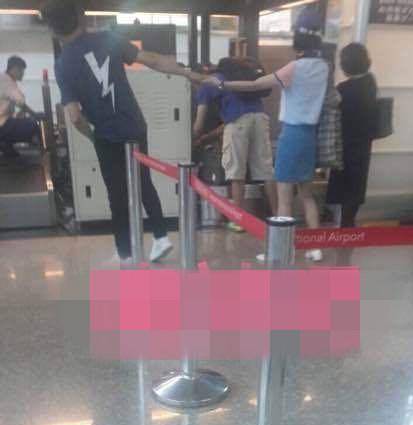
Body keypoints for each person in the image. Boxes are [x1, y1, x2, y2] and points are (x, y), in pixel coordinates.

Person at [40, 0, 201, 263]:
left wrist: (93, 137)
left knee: (117, 193)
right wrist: (188, 73)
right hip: (134, 125)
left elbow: (75, 117)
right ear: (79, 17)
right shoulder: (108, 39)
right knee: (143, 181)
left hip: (106, 135)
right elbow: (152, 60)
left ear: (52, 29)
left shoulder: (63, 64)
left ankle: (125, 252)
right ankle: (161, 237)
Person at [202, 10, 329, 261]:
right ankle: (315, 248)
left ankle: (280, 250)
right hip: (310, 136)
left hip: (292, 135)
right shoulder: (324, 67)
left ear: (298, 41)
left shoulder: (295, 68)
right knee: (306, 195)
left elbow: (256, 85)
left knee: (284, 198)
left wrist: (223, 84)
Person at [194, 56, 277, 232]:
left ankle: (237, 221)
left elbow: (199, 124)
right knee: (266, 171)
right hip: (260, 119)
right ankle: (278, 217)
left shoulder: (206, 85)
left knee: (236, 173)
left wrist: (193, 139)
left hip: (238, 124)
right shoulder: (236, 76)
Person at [326, 43, 377, 227]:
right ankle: (348, 223)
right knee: (356, 186)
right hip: (363, 144)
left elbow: (331, 109)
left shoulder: (344, 89)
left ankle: (345, 226)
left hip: (344, 144)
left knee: (344, 186)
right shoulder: (370, 83)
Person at [0, 56, 39, 157]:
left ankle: (5, 145)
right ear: (14, 69)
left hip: (3, 122)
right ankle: (43, 151)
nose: (23, 74)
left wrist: (19, 114)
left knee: (16, 120)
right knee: (32, 125)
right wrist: (35, 115)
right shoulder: (7, 82)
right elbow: (20, 102)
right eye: (21, 70)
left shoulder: (3, 78)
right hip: (2, 126)